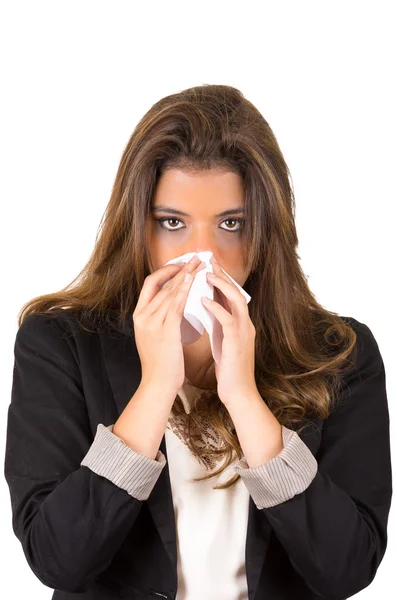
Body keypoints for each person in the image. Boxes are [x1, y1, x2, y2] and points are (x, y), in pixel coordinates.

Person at [4, 84, 392, 600]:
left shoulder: (342, 355)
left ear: (265, 233)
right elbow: (58, 560)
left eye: (231, 224)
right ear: (137, 228)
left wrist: (245, 400)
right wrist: (155, 389)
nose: (202, 257)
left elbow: (348, 569)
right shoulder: (59, 344)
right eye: (172, 223)